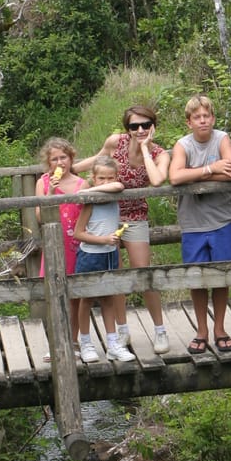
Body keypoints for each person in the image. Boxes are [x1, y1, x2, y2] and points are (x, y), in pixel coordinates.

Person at [75, 105, 171, 355]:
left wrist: (144, 150)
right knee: (114, 276)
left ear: (153, 126)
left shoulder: (160, 153)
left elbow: (158, 179)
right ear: (126, 128)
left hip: (135, 216)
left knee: (143, 273)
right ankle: (122, 328)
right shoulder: (115, 142)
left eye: (145, 125)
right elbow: (97, 161)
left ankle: (160, 329)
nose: (139, 130)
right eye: (133, 126)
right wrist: (69, 170)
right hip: (107, 215)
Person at [169, 95, 231, 355]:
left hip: (221, 218)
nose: (203, 121)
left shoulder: (221, 138)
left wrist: (196, 173)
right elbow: (176, 176)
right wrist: (212, 169)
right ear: (189, 122)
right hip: (192, 223)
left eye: (206, 116)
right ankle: (201, 330)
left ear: (213, 118)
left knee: (221, 276)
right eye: (197, 117)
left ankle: (220, 328)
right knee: (197, 278)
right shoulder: (182, 145)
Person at [73, 155, 135, 364]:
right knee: (87, 299)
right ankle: (86, 343)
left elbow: (117, 186)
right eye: (101, 178)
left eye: (110, 178)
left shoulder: (114, 194)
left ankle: (112, 344)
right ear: (93, 178)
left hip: (110, 254)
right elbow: (78, 233)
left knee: (109, 298)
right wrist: (102, 240)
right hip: (90, 255)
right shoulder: (90, 204)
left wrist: (89, 189)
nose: (106, 182)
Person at [35, 137, 88, 347]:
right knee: (54, 295)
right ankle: (56, 343)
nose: (60, 163)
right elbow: (40, 216)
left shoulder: (82, 184)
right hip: (54, 243)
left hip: (76, 244)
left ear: (71, 158)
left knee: (75, 296)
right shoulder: (43, 182)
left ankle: (74, 341)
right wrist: (50, 192)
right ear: (49, 163)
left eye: (63, 157)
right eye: (54, 159)